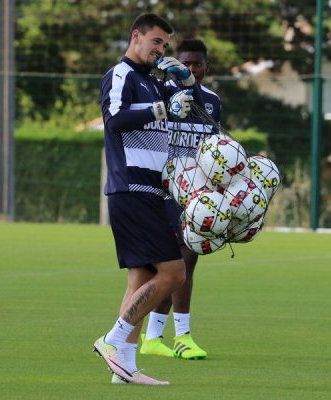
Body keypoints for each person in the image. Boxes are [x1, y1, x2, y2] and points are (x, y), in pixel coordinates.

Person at [94, 13, 201, 385]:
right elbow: (116, 119)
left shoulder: (155, 83)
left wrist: (186, 80)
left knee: (140, 279)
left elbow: (191, 101)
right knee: (173, 273)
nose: (160, 50)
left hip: (153, 192)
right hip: (132, 190)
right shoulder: (121, 74)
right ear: (136, 36)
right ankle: (112, 338)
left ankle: (123, 368)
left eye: (165, 45)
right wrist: (162, 109)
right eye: (155, 41)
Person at [140, 39, 222, 360]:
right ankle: (178, 336)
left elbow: (217, 148)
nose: (190, 69)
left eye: (196, 64)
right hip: (163, 188)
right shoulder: (160, 94)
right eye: (185, 63)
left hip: (196, 192)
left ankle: (156, 337)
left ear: (205, 66)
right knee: (175, 263)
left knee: (185, 261)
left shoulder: (212, 101)